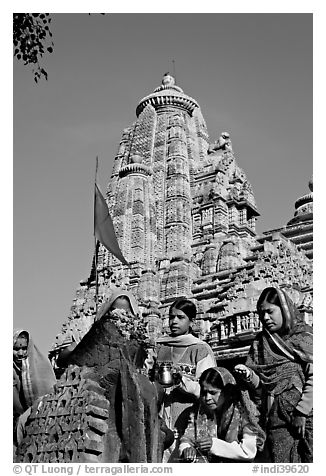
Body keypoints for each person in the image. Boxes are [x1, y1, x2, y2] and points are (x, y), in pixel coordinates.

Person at [234, 287, 313, 463]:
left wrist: (302, 412)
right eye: (262, 314)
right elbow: (260, 388)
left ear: (284, 309)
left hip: (306, 419)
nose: (265, 318)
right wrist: (249, 376)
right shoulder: (261, 344)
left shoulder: (304, 337)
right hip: (275, 421)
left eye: (270, 312)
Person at [154, 297, 216, 461]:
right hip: (160, 421)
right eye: (171, 317)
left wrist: (183, 382)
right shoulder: (160, 347)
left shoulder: (200, 350)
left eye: (180, 317)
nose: (174, 321)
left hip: (188, 424)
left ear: (192, 322)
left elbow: (208, 390)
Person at [179, 366, 265, 462]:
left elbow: (249, 452)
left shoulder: (244, 412)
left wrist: (215, 445)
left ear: (226, 392)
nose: (207, 398)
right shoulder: (200, 410)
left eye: (213, 393)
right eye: (204, 392)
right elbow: (188, 438)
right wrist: (186, 449)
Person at [56, 288, 140, 367]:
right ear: (108, 311)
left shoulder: (137, 339)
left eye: (125, 312)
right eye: (115, 311)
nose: (119, 315)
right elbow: (62, 359)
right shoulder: (96, 330)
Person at [13, 329, 56, 445]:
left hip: (46, 410)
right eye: (16, 349)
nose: (20, 353)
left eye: (24, 348)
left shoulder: (42, 364)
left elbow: (51, 391)